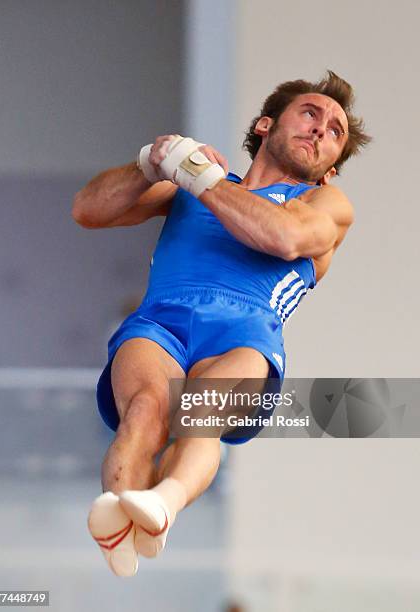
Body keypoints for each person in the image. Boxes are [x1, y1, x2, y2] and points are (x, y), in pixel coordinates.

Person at [72, 70, 371, 577]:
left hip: (244, 333)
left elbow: (282, 238)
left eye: (335, 132)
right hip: (161, 318)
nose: (322, 129)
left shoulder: (325, 204)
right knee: (144, 411)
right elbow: (88, 210)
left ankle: (163, 505)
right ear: (264, 125)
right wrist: (150, 163)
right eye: (310, 114)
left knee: (199, 415)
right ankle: (120, 518)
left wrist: (197, 177)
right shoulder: (189, 188)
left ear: (329, 172)